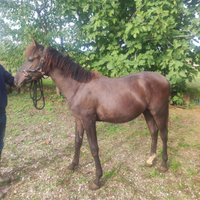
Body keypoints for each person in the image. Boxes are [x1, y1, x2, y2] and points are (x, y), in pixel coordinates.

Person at [0, 64, 15, 198]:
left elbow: (13, 81)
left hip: (1, 114)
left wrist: (31, 76)